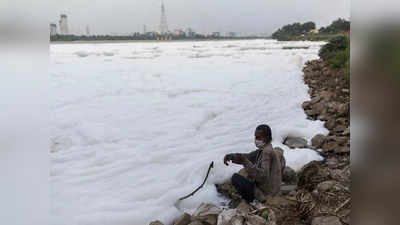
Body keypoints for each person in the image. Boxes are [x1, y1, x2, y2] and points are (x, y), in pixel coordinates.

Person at [223, 124, 282, 203]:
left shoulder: (267, 152)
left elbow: (263, 176)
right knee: (244, 175)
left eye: (258, 137)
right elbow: (249, 156)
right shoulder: (263, 150)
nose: (256, 140)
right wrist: (232, 157)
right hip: (269, 189)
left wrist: (244, 161)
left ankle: (252, 200)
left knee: (235, 178)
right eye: (255, 137)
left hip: (267, 193)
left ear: (266, 138)